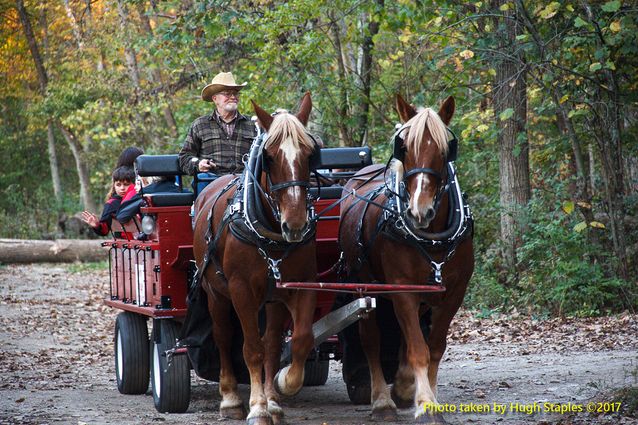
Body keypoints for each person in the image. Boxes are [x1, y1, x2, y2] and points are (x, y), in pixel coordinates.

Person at [178, 71, 257, 194]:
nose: (233, 97)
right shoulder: (200, 125)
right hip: (211, 180)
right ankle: (200, 213)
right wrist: (198, 164)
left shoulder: (253, 124)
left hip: (246, 180)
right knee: (201, 179)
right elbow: (184, 158)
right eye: (227, 93)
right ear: (215, 99)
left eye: (235, 93)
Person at [81, 166, 135, 236]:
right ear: (114, 186)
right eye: (118, 185)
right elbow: (104, 230)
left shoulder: (140, 200)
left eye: (126, 184)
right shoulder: (111, 204)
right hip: (123, 242)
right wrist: (97, 225)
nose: (122, 188)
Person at [116, 175, 182, 224]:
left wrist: (142, 203)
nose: (135, 187)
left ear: (148, 180)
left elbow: (122, 216)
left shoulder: (145, 193)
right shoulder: (184, 192)